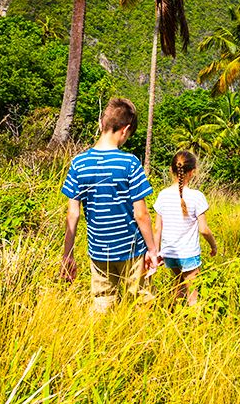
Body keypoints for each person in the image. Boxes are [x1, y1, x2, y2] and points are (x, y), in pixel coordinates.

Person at [59, 97, 159, 312]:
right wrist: (152, 250)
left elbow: (73, 214)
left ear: (101, 124)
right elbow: (141, 214)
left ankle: (102, 342)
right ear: (125, 130)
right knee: (141, 302)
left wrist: (68, 254)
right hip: (131, 249)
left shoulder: (78, 163)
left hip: (99, 251)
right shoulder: (130, 163)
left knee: (102, 302)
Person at [152, 150, 217, 306]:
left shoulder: (163, 195)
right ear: (192, 172)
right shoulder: (196, 196)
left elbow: (157, 229)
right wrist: (213, 245)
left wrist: (156, 252)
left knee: (179, 288)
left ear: (171, 169)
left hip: (169, 253)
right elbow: (203, 229)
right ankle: (192, 327)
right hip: (188, 253)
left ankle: (174, 320)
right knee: (193, 297)